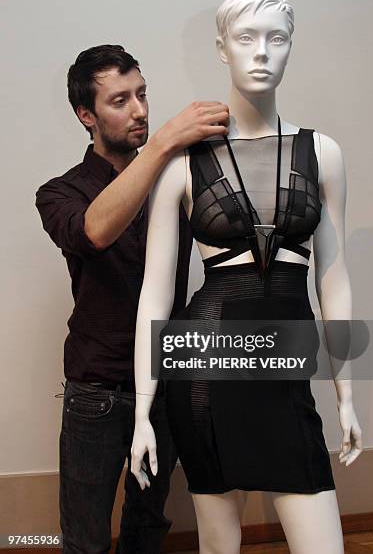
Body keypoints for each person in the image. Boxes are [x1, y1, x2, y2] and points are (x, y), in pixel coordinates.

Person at [131, 0, 364, 554]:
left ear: (291, 48)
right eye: (245, 39)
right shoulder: (183, 162)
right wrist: (143, 410)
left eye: (276, 38)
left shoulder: (322, 153)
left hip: (284, 369)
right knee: (219, 546)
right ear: (221, 49)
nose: (261, 52)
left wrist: (346, 395)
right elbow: (155, 293)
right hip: (204, 371)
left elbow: (331, 275)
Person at [35, 44, 229, 554]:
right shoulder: (59, 192)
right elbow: (94, 231)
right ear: (87, 115)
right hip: (97, 389)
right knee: (86, 538)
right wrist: (165, 144)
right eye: (120, 100)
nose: (140, 110)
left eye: (142, 94)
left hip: (167, 379)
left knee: (147, 526)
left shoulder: (177, 180)